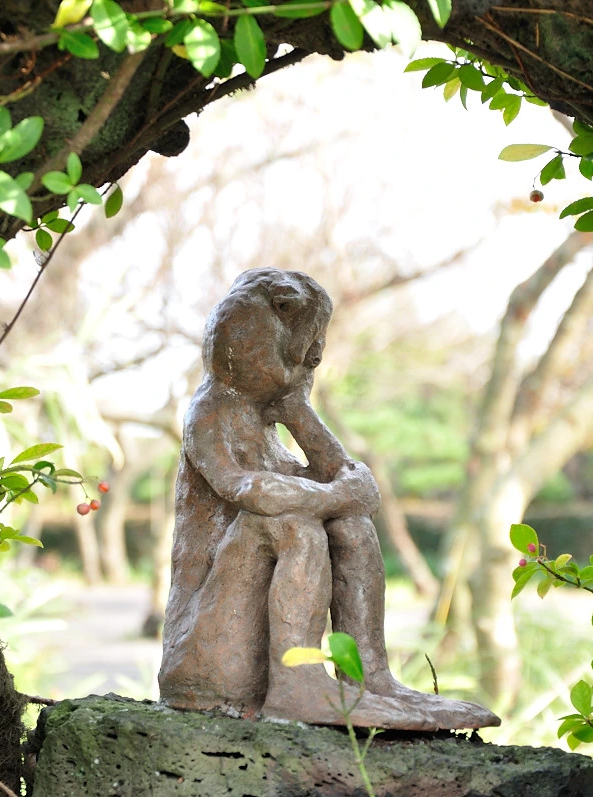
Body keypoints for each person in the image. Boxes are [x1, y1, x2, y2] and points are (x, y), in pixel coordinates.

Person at [158, 268, 498, 730]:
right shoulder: (211, 412)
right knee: (288, 521)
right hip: (208, 653)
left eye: (310, 354)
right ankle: (296, 686)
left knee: (350, 526)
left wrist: (300, 415)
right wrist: (335, 494)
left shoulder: (271, 426)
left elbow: (359, 491)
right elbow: (248, 489)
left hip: (245, 642)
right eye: (297, 351)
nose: (307, 362)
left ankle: (370, 678)